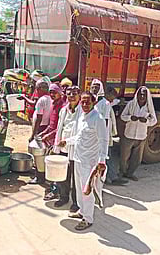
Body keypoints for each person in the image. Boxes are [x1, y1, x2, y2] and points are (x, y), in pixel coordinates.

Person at [60, 92, 108, 231]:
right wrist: (67, 141)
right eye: (83, 102)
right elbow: (79, 137)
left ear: (93, 102)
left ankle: (88, 219)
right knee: (79, 189)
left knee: (87, 191)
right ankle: (82, 211)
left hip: (90, 162)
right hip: (78, 158)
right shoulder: (82, 117)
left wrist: (101, 160)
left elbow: (103, 140)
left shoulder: (98, 119)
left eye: (88, 102)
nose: (85, 105)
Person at [52, 86, 81, 212]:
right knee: (63, 175)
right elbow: (59, 129)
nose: (72, 96)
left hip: (76, 149)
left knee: (76, 178)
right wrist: (56, 146)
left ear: (79, 95)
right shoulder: (64, 110)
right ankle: (64, 197)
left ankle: (76, 202)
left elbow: (82, 133)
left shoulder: (83, 111)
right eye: (69, 94)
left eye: (74, 94)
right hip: (63, 148)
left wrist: (68, 141)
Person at [120, 86, 157, 181]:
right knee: (124, 156)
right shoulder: (131, 104)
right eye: (140, 94)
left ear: (147, 96)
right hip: (129, 134)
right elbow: (123, 116)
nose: (142, 96)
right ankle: (122, 173)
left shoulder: (149, 107)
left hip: (141, 136)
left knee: (137, 158)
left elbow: (154, 121)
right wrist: (130, 118)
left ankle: (130, 173)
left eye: (144, 94)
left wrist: (146, 121)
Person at [40, 84, 66, 201]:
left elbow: (60, 127)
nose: (51, 94)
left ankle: (55, 191)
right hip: (51, 140)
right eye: (50, 92)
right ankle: (53, 188)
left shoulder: (63, 106)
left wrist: (48, 135)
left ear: (60, 93)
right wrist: (44, 133)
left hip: (58, 141)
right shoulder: (54, 104)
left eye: (54, 92)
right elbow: (51, 125)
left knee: (55, 168)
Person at [98, 86, 128, 185]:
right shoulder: (106, 104)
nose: (113, 99)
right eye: (113, 96)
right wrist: (106, 138)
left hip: (103, 135)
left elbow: (116, 102)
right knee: (108, 156)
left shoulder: (101, 102)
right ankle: (111, 178)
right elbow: (106, 121)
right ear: (108, 94)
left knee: (106, 157)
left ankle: (108, 177)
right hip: (105, 135)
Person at [23, 81, 52, 184]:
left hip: (40, 128)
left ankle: (39, 177)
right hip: (46, 127)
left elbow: (39, 118)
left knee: (38, 153)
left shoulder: (41, 100)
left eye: (36, 89)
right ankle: (42, 174)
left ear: (39, 89)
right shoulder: (50, 99)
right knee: (44, 153)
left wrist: (33, 134)